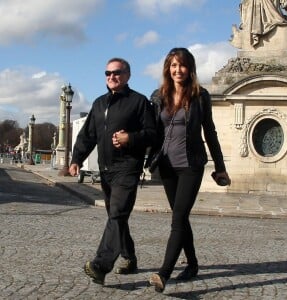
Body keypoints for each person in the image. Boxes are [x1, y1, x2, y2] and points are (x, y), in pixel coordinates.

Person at [147, 48, 231, 293]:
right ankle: (192, 264)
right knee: (180, 217)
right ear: (167, 68)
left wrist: (221, 168)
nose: (178, 70)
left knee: (177, 219)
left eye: (182, 65)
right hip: (166, 166)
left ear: (190, 68)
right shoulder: (159, 95)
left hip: (191, 165)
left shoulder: (200, 96)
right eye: (173, 65)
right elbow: (151, 130)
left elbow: (210, 132)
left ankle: (163, 273)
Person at [69, 57, 156, 284]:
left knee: (117, 214)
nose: (111, 77)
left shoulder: (139, 102)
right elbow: (88, 134)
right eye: (107, 73)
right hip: (105, 169)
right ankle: (129, 257)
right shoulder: (99, 103)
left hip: (127, 167)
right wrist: (76, 158)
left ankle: (101, 264)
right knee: (117, 216)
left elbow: (152, 133)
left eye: (116, 73)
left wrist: (130, 138)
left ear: (127, 75)